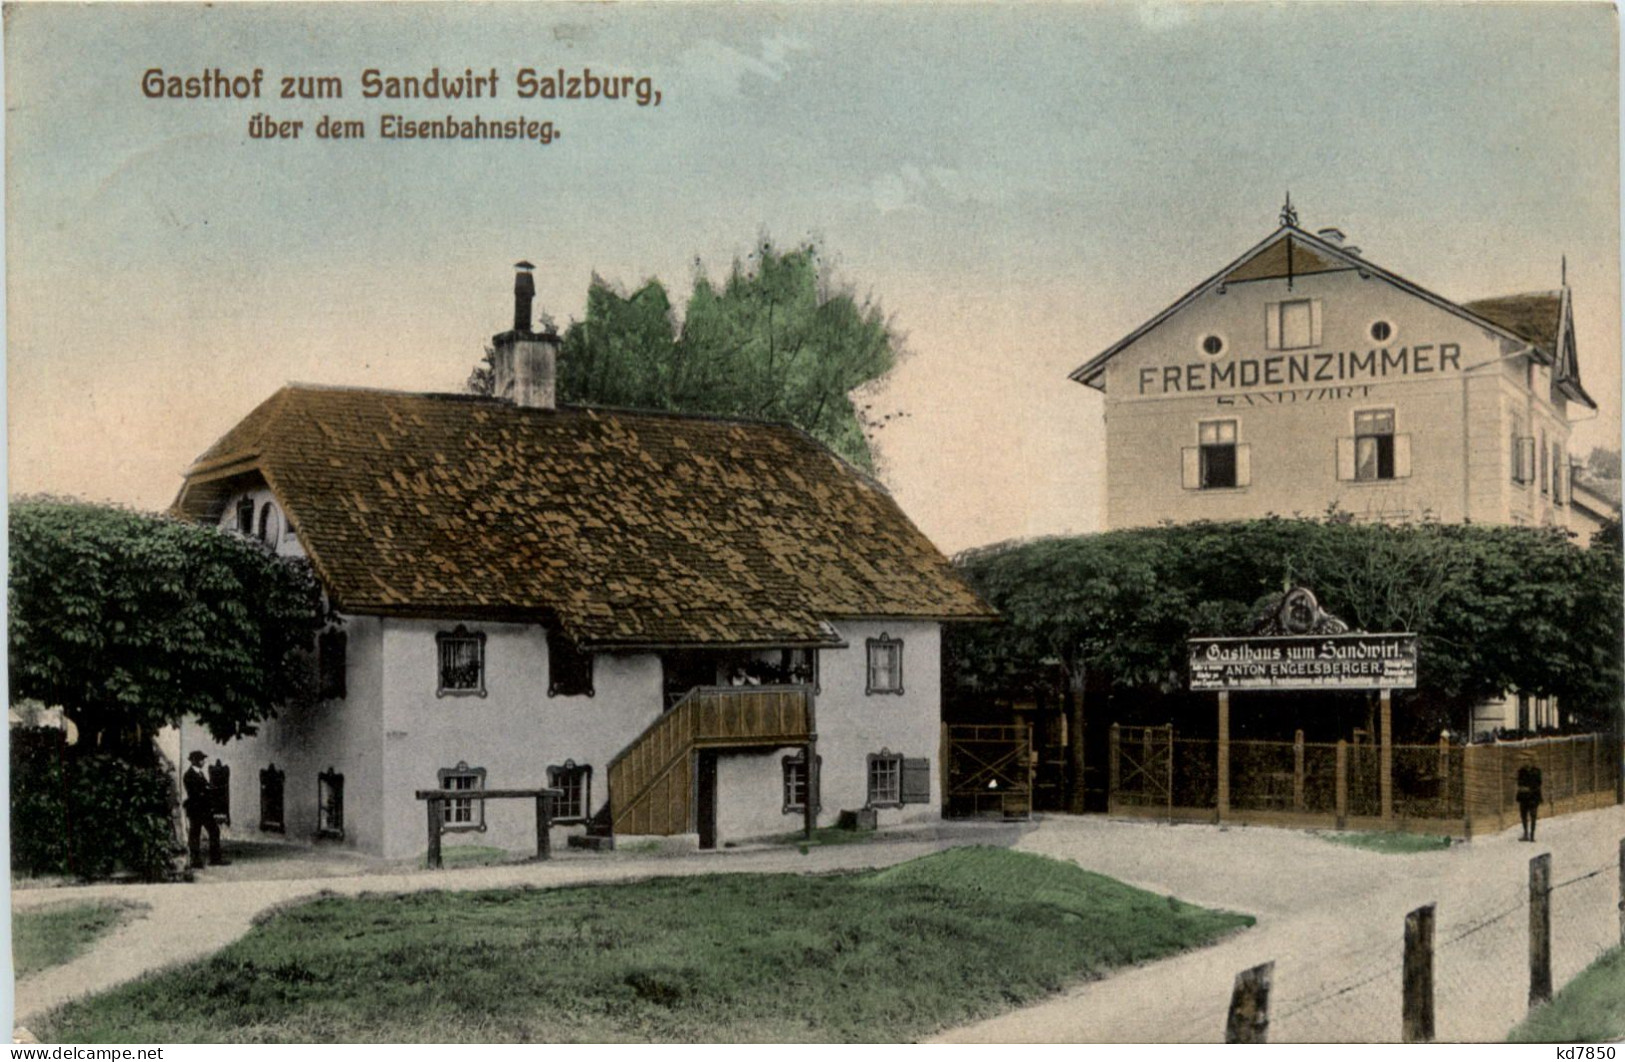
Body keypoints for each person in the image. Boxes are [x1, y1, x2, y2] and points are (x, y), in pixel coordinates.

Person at [183, 751, 228, 867]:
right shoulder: (189, 775)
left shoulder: (200, 774)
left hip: (204, 809)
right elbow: (195, 793)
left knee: (213, 831)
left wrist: (210, 790)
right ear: (196, 761)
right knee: (195, 834)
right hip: (196, 809)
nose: (203, 761)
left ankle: (215, 858)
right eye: (201, 759)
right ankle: (195, 860)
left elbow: (205, 787)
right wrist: (207, 791)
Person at [1516, 761, 1543, 842]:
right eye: (1524, 760)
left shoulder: (1537, 771)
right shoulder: (1521, 771)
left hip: (1533, 797)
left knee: (1533, 816)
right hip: (1523, 797)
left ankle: (1532, 835)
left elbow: (1539, 783)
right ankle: (1525, 833)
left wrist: (1529, 788)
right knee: (1523, 816)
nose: (1526, 762)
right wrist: (1522, 787)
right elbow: (1519, 782)